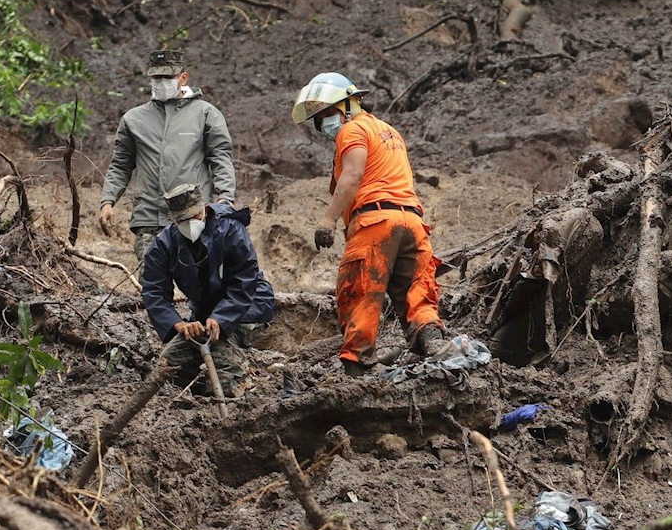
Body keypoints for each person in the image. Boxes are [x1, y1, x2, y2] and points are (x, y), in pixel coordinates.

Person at [292, 72, 463, 372]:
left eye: (327, 114)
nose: (324, 125)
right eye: (318, 120)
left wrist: (328, 220)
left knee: (360, 292)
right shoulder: (389, 131)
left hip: (375, 223)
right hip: (412, 222)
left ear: (348, 105)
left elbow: (353, 175)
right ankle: (433, 342)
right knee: (416, 291)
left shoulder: (353, 130)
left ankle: (358, 365)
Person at [100, 49, 237, 264]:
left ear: (183, 78)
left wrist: (226, 198)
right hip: (149, 217)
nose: (161, 82)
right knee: (152, 283)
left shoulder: (205, 114)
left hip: (194, 215)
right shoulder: (133, 119)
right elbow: (120, 165)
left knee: (199, 283)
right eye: (156, 77)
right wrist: (108, 201)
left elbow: (220, 157)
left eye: (168, 77)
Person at [140, 182, 276, 389]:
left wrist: (220, 318)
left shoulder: (230, 228)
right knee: (169, 366)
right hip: (204, 311)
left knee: (224, 370)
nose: (190, 224)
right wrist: (179, 324)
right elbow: (154, 291)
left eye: (194, 217)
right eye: (182, 220)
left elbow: (244, 280)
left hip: (248, 304)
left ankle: (241, 382)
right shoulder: (164, 243)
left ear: (204, 209)